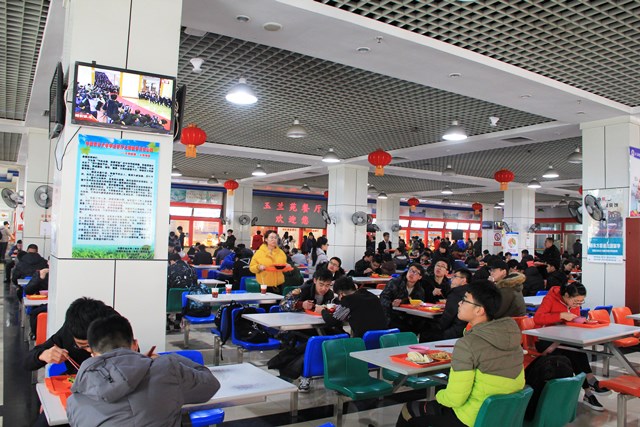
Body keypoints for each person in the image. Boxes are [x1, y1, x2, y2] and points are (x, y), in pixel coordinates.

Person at [396, 282, 525, 427]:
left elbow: (454, 399)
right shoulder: (511, 338)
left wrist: (439, 396)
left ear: (479, 310)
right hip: (504, 416)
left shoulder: (468, 345)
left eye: (464, 300)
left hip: (472, 418)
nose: (459, 303)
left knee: (409, 410)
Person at [67, 314, 220, 427]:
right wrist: (170, 358)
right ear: (135, 345)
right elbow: (211, 384)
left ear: (93, 353)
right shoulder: (166, 370)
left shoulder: (75, 402)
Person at [533, 282, 611, 411]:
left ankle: (589, 389)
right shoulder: (550, 299)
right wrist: (560, 315)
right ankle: (590, 385)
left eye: (581, 302)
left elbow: (573, 321)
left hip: (563, 339)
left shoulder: (574, 304)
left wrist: (581, 321)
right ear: (566, 295)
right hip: (544, 340)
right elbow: (538, 318)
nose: (578, 305)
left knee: (577, 350)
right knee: (572, 352)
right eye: (576, 301)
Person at [25, 297, 117, 373]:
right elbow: (26, 361)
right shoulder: (69, 330)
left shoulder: (117, 328)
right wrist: (42, 355)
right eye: (83, 346)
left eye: (94, 345)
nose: (90, 351)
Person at [321, 276, 387, 338]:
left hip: (364, 341)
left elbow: (332, 321)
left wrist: (322, 311)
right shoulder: (371, 295)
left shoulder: (348, 300)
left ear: (341, 294)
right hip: (383, 338)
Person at [380, 263, 427, 333]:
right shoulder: (394, 282)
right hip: (392, 317)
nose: (411, 274)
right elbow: (383, 298)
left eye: (415, 272)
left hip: (409, 318)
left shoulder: (420, 290)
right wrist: (391, 304)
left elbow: (420, 304)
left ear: (420, 277)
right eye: (410, 270)